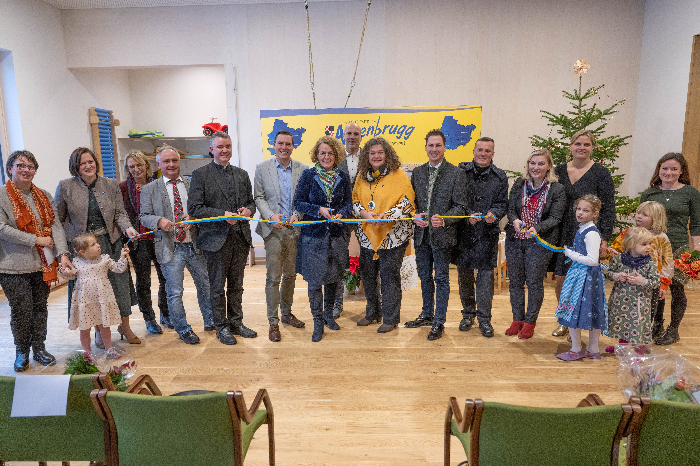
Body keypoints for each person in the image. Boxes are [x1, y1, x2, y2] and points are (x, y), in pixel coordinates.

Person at [55, 147, 140, 346]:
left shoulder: (110, 184)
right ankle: (99, 331)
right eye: (82, 163)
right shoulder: (66, 186)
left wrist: (128, 228)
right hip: (84, 250)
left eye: (90, 161)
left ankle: (125, 326)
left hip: (110, 243)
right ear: (75, 167)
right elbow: (58, 221)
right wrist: (63, 252)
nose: (88, 166)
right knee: (92, 291)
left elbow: (119, 213)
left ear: (96, 163)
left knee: (119, 287)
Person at [0, 150, 70, 372]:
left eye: (31, 167)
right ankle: (22, 351)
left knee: (40, 308)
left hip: (43, 265)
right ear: (10, 169)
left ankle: (39, 348)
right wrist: (35, 240)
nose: (26, 170)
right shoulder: (1, 195)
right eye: (21, 165)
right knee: (21, 310)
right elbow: (2, 228)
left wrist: (63, 253)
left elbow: (55, 226)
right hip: (13, 266)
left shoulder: (44, 195)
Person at [140, 146, 214, 345]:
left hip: (195, 245)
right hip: (169, 247)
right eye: (166, 161)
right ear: (158, 164)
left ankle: (211, 320)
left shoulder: (192, 183)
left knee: (205, 285)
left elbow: (201, 208)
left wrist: (194, 217)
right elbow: (144, 216)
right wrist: (158, 221)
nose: (171, 164)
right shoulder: (149, 189)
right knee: (175, 292)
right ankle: (183, 329)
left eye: (175, 160)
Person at [188, 132, 257, 345]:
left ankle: (236, 322)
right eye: (220, 147)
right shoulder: (200, 175)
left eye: (227, 146)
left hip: (240, 238)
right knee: (217, 287)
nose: (224, 150)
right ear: (212, 150)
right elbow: (195, 208)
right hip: (215, 241)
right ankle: (221, 326)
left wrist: (249, 210)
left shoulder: (242, 174)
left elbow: (251, 203)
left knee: (237, 285)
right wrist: (222, 215)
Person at [404, 129, 468, 341]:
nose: (434, 149)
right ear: (425, 148)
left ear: (445, 147)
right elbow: (412, 203)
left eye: (438, 145)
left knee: (441, 278)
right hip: (421, 235)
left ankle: (439, 320)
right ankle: (427, 314)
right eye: (430, 145)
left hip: (443, 236)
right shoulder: (418, 173)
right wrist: (414, 215)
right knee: (424, 277)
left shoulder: (456, 173)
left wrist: (445, 219)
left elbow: (461, 207)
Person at [551, 130, 615, 338]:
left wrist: (604, 237)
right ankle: (565, 320)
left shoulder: (601, 173)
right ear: (570, 146)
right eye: (578, 143)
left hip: (588, 233)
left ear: (592, 147)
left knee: (583, 279)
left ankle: (579, 323)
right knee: (562, 277)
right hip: (562, 231)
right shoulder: (558, 170)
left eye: (587, 144)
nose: (582, 147)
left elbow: (608, 207)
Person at [352, 137, 415, 333]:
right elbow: (355, 200)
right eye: (372, 153)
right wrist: (364, 213)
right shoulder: (361, 176)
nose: (376, 156)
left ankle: (390, 318)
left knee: (389, 277)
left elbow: (407, 202)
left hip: (393, 235)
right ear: (367, 156)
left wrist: (388, 216)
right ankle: (372, 313)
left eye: (380, 152)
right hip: (367, 235)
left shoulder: (399, 174)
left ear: (387, 154)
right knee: (368, 275)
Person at [294, 136, 352, 342]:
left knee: (333, 278)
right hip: (313, 237)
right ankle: (317, 322)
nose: (326, 157)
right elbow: (298, 203)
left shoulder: (343, 177)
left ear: (336, 155)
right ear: (316, 155)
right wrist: (318, 209)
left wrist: (342, 213)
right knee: (315, 281)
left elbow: (349, 203)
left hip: (336, 236)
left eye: (330, 153)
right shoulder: (308, 175)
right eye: (322, 153)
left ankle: (328, 315)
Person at [504, 149, 566, 339]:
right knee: (515, 282)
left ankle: (530, 322)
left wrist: (537, 228)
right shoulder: (519, 183)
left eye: (541, 163)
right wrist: (514, 220)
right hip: (515, 239)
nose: (536, 167)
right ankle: (517, 319)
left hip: (539, 242)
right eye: (533, 163)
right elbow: (510, 209)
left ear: (549, 166)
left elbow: (556, 217)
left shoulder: (557, 189)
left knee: (533, 282)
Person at [639, 152, 700, 345]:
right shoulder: (650, 193)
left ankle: (674, 329)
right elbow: (641, 221)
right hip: (652, 247)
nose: (669, 172)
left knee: (677, 288)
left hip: (678, 247)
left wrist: (696, 250)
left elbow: (696, 223)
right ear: (659, 170)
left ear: (681, 171)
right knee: (656, 287)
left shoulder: (690, 193)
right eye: (664, 168)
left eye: (674, 169)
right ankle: (657, 324)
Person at [254, 130, 308, 342]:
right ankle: (273, 321)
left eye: (288, 144)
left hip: (294, 230)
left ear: (293, 146)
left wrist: (297, 215)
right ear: (274, 145)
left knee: (291, 275)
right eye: (280, 144)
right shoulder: (262, 168)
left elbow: (304, 199)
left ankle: (286, 313)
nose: (284, 147)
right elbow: (259, 197)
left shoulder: (303, 169)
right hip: (273, 230)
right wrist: (270, 216)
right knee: (273, 277)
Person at [453, 137, 508, 338]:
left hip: (487, 233)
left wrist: (494, 213)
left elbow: (503, 203)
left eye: (487, 151)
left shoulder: (500, 176)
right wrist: (467, 214)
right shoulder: (461, 172)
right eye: (480, 150)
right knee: (464, 276)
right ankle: (468, 315)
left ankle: (485, 319)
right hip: (464, 232)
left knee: (485, 278)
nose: (483, 154)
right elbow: (455, 198)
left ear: (493, 153)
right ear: (473, 151)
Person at [119, 149, 170, 334]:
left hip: (158, 238)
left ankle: (166, 313)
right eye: (131, 166)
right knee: (143, 281)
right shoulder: (123, 188)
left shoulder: (157, 184)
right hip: (138, 241)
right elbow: (121, 213)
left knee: (165, 278)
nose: (136, 169)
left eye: (139, 165)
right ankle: (149, 318)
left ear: (146, 165)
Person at [607, 201, 673, 341]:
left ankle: (640, 344)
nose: (639, 216)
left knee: (646, 314)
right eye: (638, 213)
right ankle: (623, 344)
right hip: (627, 285)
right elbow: (616, 249)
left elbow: (667, 261)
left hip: (650, 283)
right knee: (624, 314)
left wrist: (664, 283)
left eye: (644, 214)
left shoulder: (661, 237)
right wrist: (609, 252)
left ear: (656, 218)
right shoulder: (629, 232)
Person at [554, 195, 608, 361]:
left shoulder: (591, 233)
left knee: (576, 310)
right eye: (578, 209)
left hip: (585, 277)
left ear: (595, 213)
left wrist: (571, 254)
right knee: (583, 310)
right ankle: (591, 349)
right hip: (581, 274)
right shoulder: (584, 229)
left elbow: (593, 260)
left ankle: (579, 349)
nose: (580, 213)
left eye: (585, 210)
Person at [64, 233, 129, 356]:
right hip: (85, 302)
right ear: (82, 251)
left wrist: (122, 256)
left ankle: (109, 349)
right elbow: (70, 275)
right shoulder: (76, 262)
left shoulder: (104, 259)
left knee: (104, 326)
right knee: (85, 329)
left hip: (101, 300)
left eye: (97, 243)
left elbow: (119, 268)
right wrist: (66, 271)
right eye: (93, 244)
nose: (98, 245)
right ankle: (87, 353)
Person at [604, 227, 660, 352]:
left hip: (640, 303)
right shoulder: (618, 260)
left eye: (650, 243)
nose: (648, 247)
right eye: (644, 244)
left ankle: (639, 352)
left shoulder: (650, 264)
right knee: (623, 323)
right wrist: (618, 276)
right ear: (631, 244)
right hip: (621, 301)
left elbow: (656, 282)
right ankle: (622, 348)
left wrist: (642, 281)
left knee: (638, 325)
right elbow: (609, 274)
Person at [333, 122, 363, 318]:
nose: (352, 137)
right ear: (344, 136)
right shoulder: (335, 158)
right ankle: (337, 303)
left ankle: (374, 302)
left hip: (364, 216)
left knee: (370, 257)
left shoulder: (369, 157)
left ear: (361, 137)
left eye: (356, 134)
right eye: (349, 133)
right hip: (341, 216)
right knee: (339, 259)